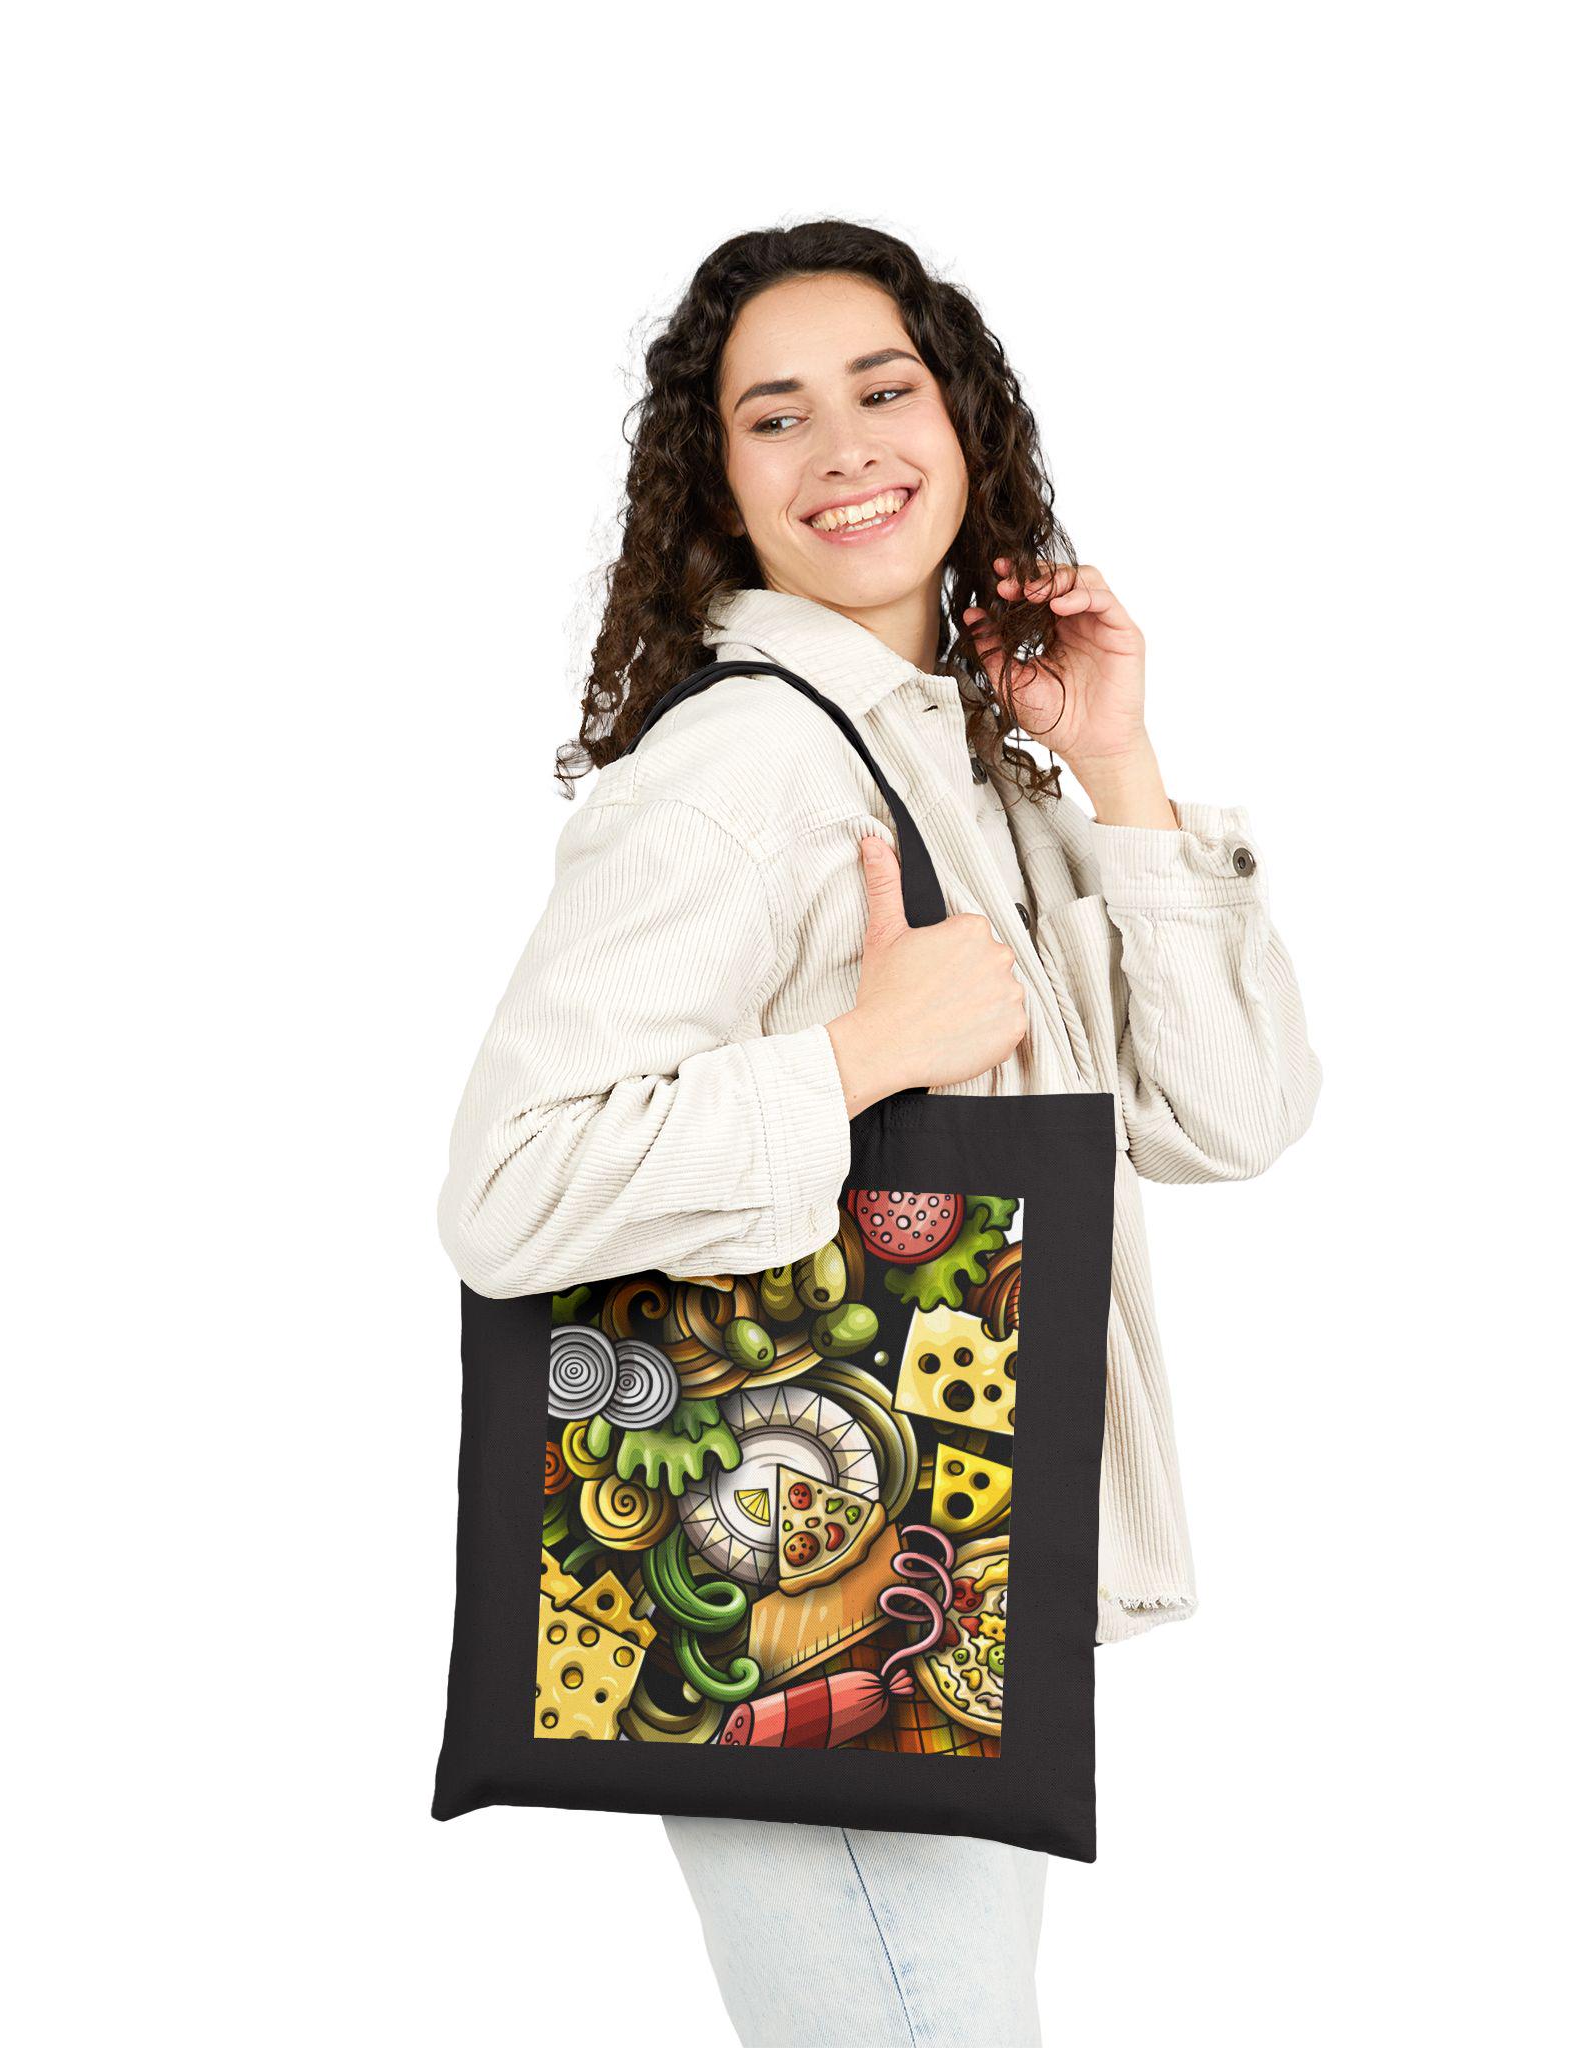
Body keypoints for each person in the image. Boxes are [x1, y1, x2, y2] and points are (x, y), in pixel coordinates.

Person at [438, 218, 1322, 2048]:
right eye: (776, 417)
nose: (843, 447)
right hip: (806, 1609)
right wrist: (859, 1055)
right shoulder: (744, 767)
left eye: (883, 389)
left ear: (965, 425)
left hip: (940, 1589)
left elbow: (1229, 1117)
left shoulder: (960, 765)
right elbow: (512, 1187)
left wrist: (1120, 767)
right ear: (722, 488)